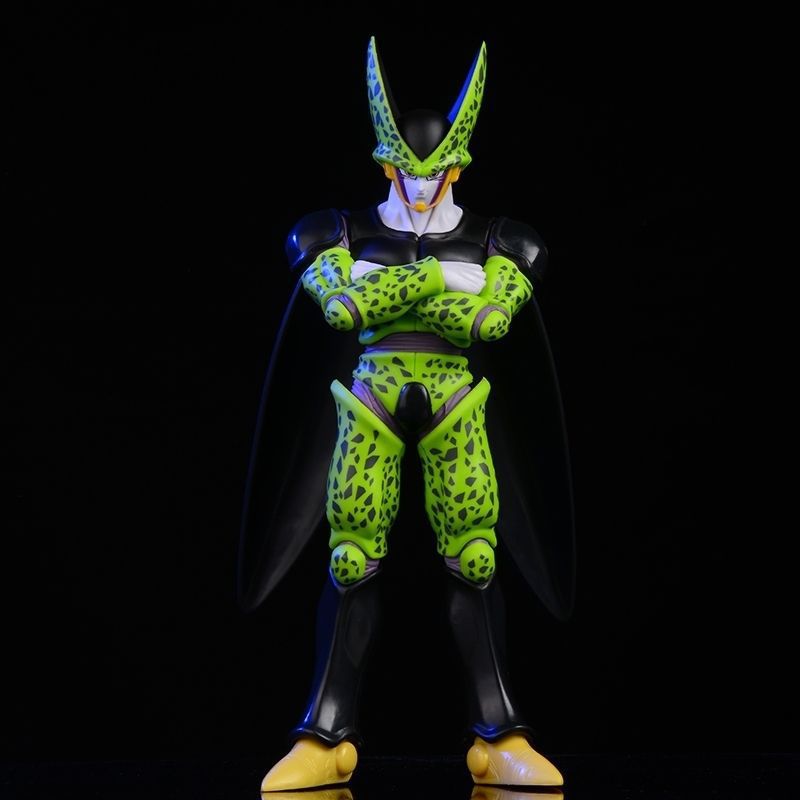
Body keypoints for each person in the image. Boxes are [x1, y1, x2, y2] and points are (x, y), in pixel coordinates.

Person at [240, 37, 574, 791]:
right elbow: (341, 308)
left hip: (455, 402)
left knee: (476, 559)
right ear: (385, 165)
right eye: (405, 173)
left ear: (457, 168)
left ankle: (500, 734)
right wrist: (437, 281)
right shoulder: (333, 230)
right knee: (351, 559)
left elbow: (490, 323)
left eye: (435, 174)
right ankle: (323, 737)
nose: (420, 189)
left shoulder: (502, 239)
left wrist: (391, 290)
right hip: (371, 403)